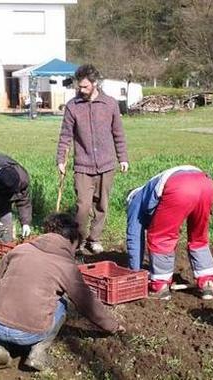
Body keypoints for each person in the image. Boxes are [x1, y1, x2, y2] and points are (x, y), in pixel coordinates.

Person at [0, 213, 125, 371]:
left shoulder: (20, 249)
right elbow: (86, 303)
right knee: (62, 303)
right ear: (71, 242)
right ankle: (37, 352)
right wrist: (112, 326)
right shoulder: (66, 266)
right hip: (29, 334)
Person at [56, 64, 128, 255]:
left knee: (102, 205)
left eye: (85, 86)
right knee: (83, 206)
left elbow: (118, 133)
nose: (81, 90)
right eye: (79, 86)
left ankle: (94, 239)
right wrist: (61, 160)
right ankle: (78, 241)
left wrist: (123, 158)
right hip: (82, 166)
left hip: (106, 165)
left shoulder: (110, 104)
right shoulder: (73, 106)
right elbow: (65, 135)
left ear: (95, 83)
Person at [125, 166, 213, 301]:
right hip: (206, 184)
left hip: (180, 187)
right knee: (199, 237)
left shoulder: (135, 200)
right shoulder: (150, 188)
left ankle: (160, 286)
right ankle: (207, 282)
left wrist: (134, 273)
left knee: (161, 237)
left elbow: (134, 240)